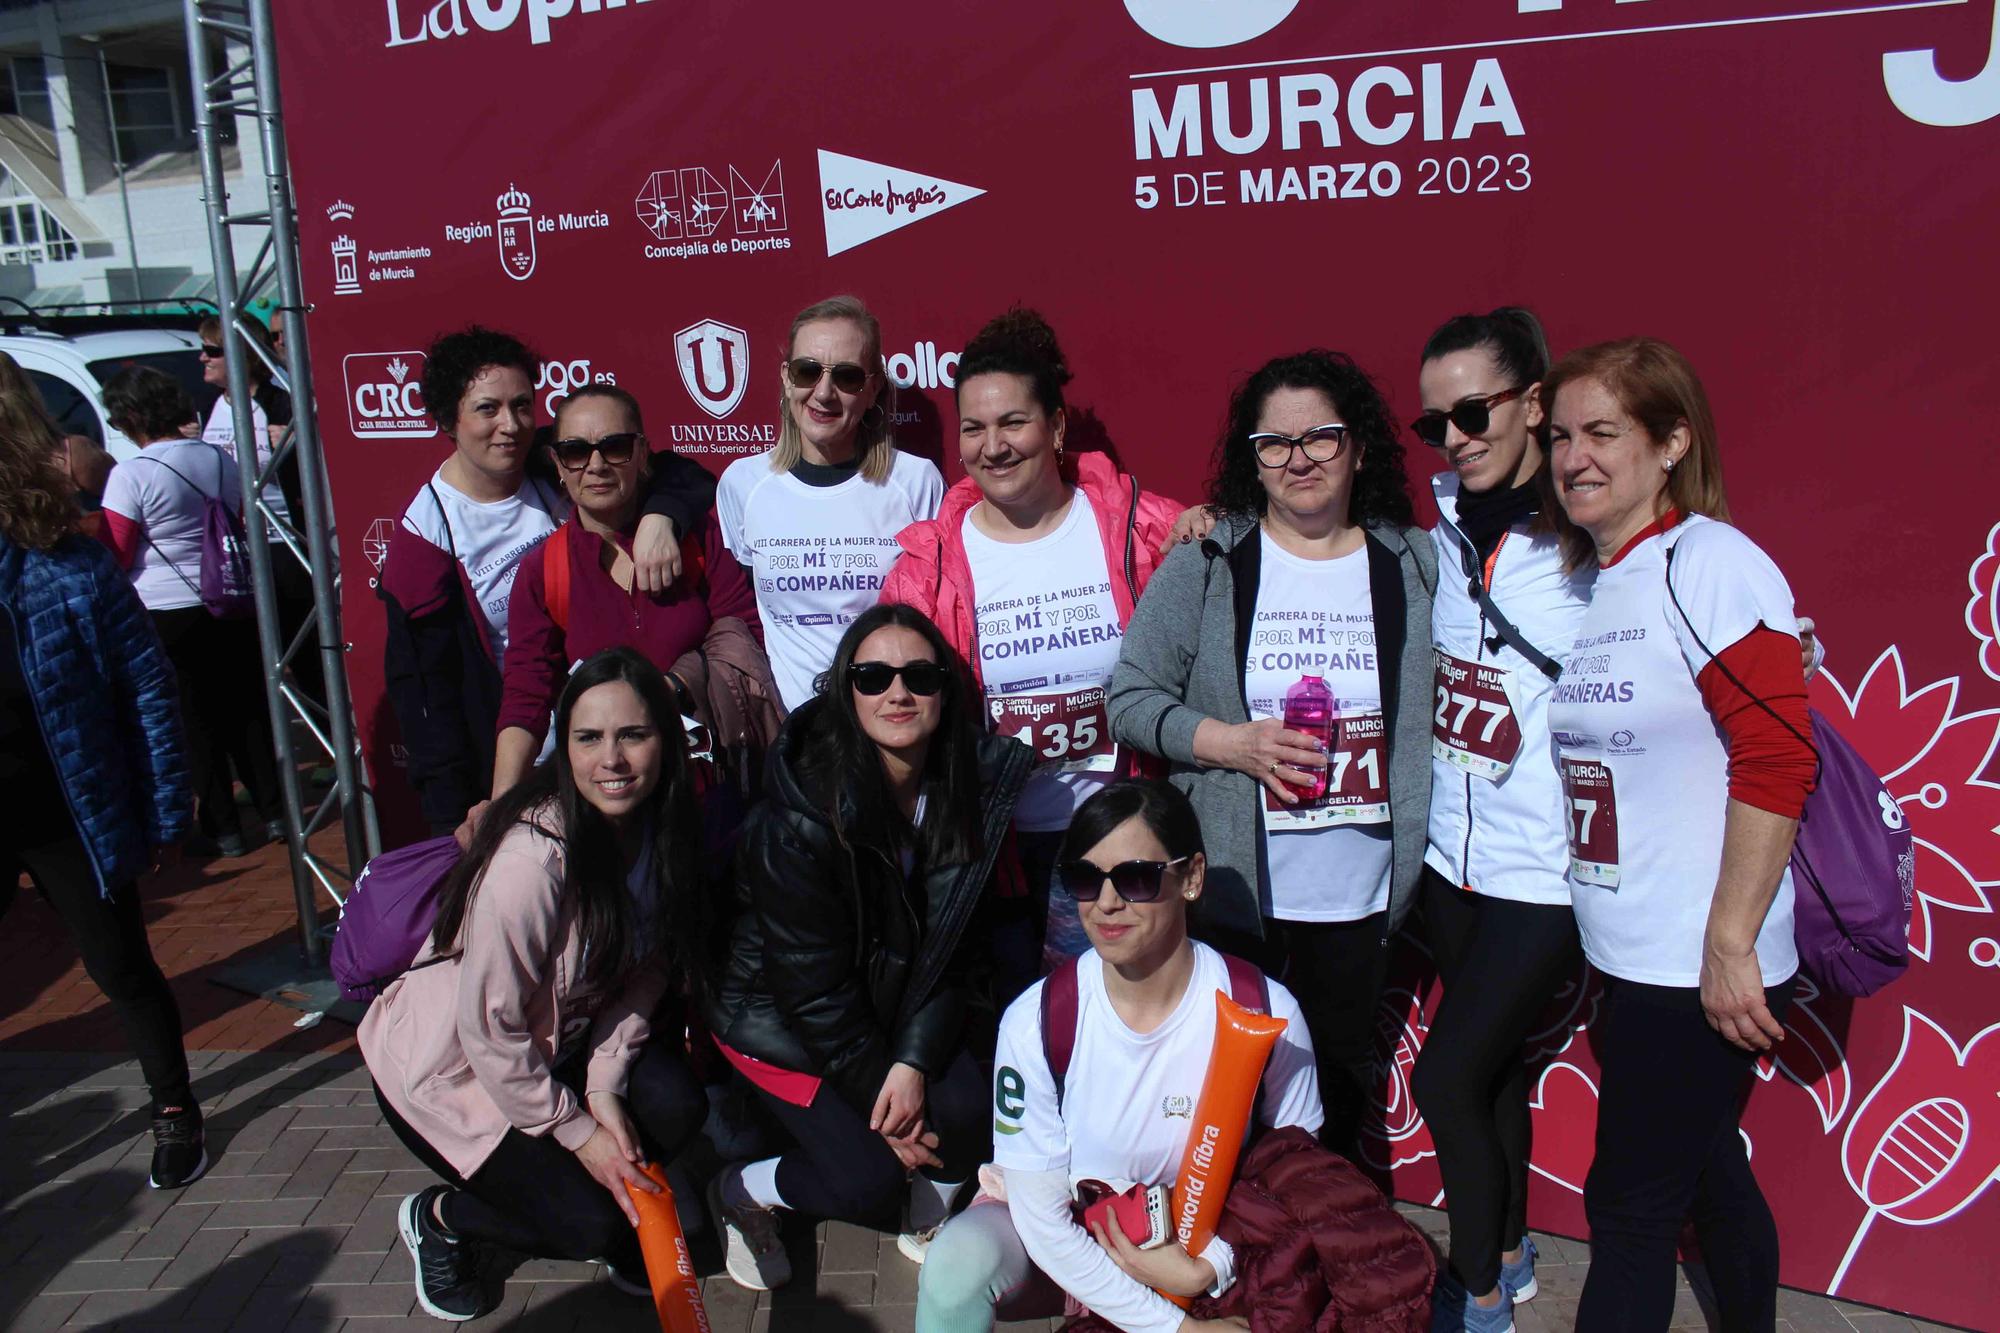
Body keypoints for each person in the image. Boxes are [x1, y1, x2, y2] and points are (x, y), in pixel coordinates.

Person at [1541, 337, 1814, 1332]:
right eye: (1561, 435)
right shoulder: (1600, 577)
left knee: (1627, 1206)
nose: (1572, 455)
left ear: (1669, 443)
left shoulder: (1709, 562)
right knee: (1701, 1172)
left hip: (1697, 959)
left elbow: (1778, 759)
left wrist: (1729, 943)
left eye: (1601, 432)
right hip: (1631, 955)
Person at [1107, 350, 1435, 1162]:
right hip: (1238, 894)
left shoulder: (1414, 563)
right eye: (1274, 443)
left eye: (1320, 437)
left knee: (1340, 1091)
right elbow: (1129, 699)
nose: (1299, 459)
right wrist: (1233, 743)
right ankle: (1237, 1257)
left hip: (1362, 896)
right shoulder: (1211, 560)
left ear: (1358, 445)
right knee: (1232, 1098)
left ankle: (1340, 1252)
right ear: (1251, 459)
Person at [361, 647, 714, 1322]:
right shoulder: (534, 860)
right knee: (583, 1225)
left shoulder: (662, 833)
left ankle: (599, 1204)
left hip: (551, 1044)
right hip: (447, 1069)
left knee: (673, 1103)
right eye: (588, 738)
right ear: (565, 745)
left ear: (665, 741)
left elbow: (648, 974)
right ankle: (443, 1217)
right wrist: (579, 1132)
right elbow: (488, 1032)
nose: (610, 758)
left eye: (632, 734)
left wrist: (605, 1089)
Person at [914, 778, 1321, 1332]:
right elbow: (1043, 1225)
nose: (1106, 902)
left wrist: (1209, 1268)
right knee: (955, 1265)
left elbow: (1298, 1183)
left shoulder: (1267, 1010)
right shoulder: (1036, 1019)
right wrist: (1175, 1328)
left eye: (1136, 878)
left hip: (1205, 1249)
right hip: (1065, 1242)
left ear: (1192, 877)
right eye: (1085, 878)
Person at [704, 604, 1031, 1290]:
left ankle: (915, 1184)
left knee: (972, 1110)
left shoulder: (955, 788)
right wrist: (881, 1102)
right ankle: (743, 1189)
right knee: (865, 1183)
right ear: (845, 691)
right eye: (873, 675)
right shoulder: (801, 817)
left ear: (946, 689)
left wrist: (909, 1064)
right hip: (774, 1016)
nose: (898, 692)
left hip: (880, 997)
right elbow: (810, 991)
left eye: (919, 675)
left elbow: (952, 945)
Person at [881, 308, 1182, 975]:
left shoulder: (1144, 529)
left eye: (1013, 422)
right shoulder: (924, 568)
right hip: (1001, 856)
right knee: (1038, 1036)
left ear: (1056, 426)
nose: (994, 446)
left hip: (1125, 840)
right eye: (974, 428)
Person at [379, 326, 717, 834]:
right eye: (487, 409)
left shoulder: (559, 457)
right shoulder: (426, 538)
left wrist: (661, 516)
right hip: (521, 749)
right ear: (449, 420)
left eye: (521, 405)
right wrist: (461, 810)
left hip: (616, 736)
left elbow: (675, 472)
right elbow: (429, 698)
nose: (510, 426)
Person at [0, 391, 206, 1189]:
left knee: (120, 964)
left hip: (65, 804)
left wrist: (163, 801)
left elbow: (146, 683)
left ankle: (174, 1105)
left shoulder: (69, 560)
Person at [491, 385, 762, 795]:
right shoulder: (543, 570)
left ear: (642, 454)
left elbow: (748, 641)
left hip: (707, 786)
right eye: (576, 452)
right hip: (609, 793)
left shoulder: (699, 539)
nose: (596, 465)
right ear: (558, 465)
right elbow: (526, 694)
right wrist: (501, 803)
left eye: (614, 447)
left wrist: (676, 686)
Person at [717, 295, 945, 711]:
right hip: (794, 734)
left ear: (873, 387)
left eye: (847, 377)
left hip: (890, 721)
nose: (823, 393)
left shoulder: (915, 482)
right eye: (807, 372)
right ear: (787, 378)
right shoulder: (742, 484)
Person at [98, 365, 283, 857]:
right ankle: (275, 812)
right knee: (247, 711)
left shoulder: (130, 474)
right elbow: (240, 517)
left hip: (164, 610)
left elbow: (115, 549)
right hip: (228, 598)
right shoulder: (218, 458)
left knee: (195, 724)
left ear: (132, 416)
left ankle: (223, 828)